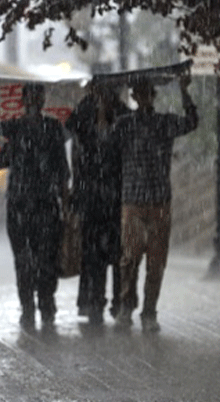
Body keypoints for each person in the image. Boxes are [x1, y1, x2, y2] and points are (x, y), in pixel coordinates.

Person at [109, 75, 198, 332]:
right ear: (135, 97)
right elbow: (105, 142)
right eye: (139, 93)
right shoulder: (124, 124)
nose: (144, 97)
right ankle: (127, 305)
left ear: (152, 96)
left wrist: (184, 93)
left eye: (147, 92)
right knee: (130, 258)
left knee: (156, 262)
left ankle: (149, 311)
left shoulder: (164, 123)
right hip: (133, 200)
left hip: (159, 200)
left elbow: (192, 122)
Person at [0, 84, 71, 330]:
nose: (34, 100)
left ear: (42, 99)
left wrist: (65, 204)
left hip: (45, 205)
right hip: (20, 206)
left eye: (37, 96)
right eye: (30, 96)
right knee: (23, 260)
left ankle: (45, 302)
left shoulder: (53, 128)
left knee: (46, 258)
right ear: (23, 100)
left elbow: (62, 171)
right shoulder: (15, 128)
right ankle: (28, 307)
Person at [66, 82, 132, 325]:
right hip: (92, 197)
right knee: (93, 254)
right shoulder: (84, 114)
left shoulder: (122, 115)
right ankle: (94, 301)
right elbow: (72, 130)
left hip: (114, 196)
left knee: (116, 253)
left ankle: (118, 301)